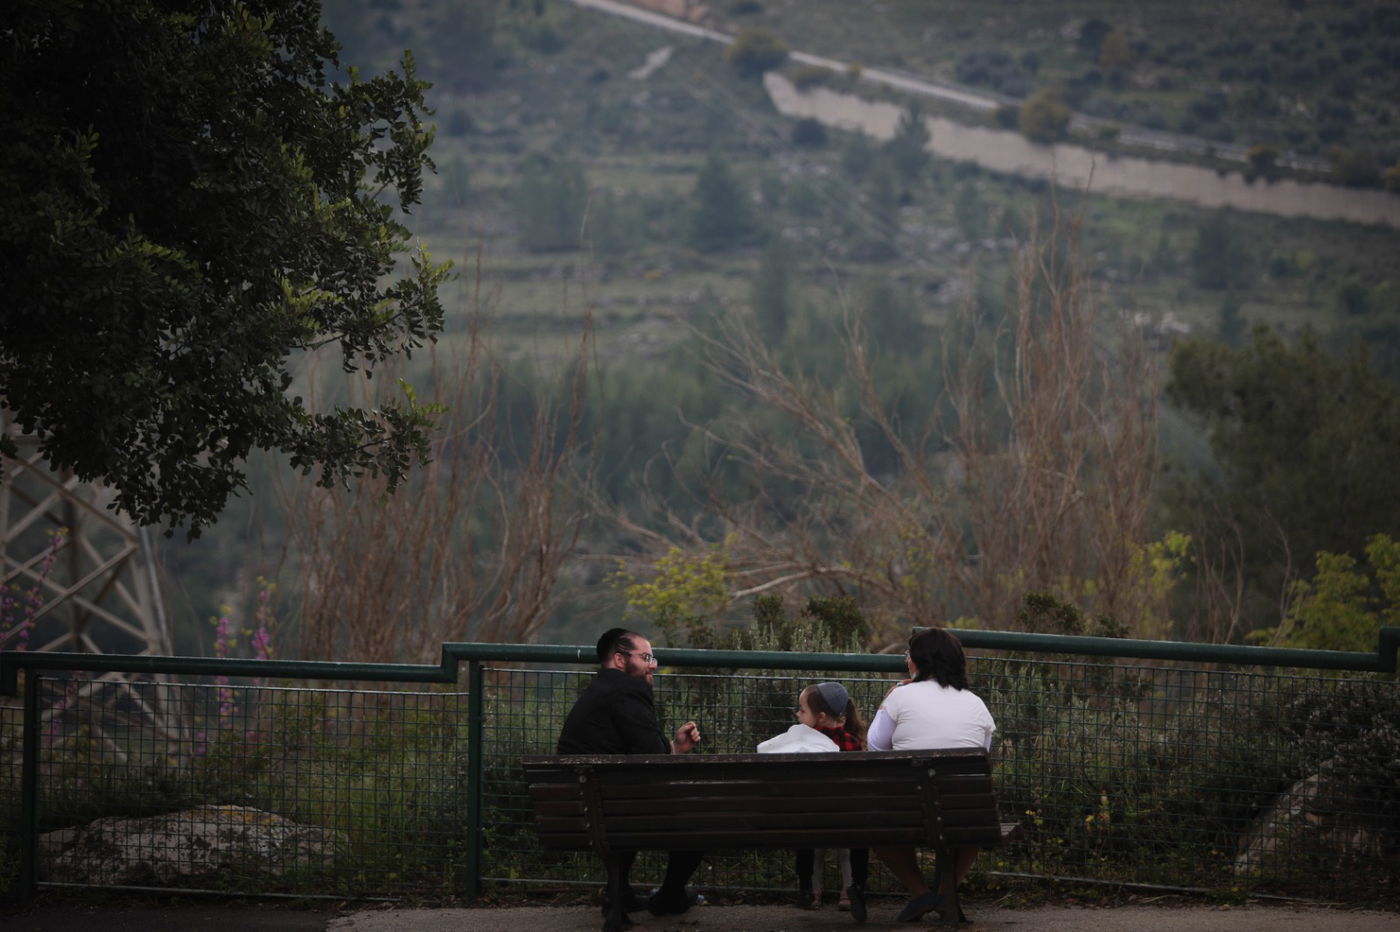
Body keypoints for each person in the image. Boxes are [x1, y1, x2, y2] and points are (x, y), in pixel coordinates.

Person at [556, 627, 703, 918]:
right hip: (616, 811)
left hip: (584, 812)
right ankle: (670, 897)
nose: (654, 664)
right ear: (621, 660)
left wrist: (674, 747)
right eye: (646, 657)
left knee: (623, 801)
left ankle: (620, 894)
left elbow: (645, 752)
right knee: (697, 819)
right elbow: (652, 757)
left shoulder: (599, 690)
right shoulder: (628, 689)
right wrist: (668, 751)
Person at [866, 627, 996, 923]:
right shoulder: (976, 703)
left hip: (907, 810)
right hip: (966, 812)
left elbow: (875, 746)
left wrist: (889, 699)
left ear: (917, 662)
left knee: (877, 827)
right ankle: (945, 893)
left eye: (908, 655)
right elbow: (982, 755)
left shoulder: (900, 696)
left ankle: (921, 893)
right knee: (969, 829)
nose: (906, 660)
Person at [755, 681, 871, 923]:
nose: (797, 714)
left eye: (802, 710)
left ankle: (809, 889)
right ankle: (852, 889)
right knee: (850, 846)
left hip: (808, 818)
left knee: (806, 836)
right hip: (848, 818)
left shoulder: (799, 744)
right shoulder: (850, 741)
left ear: (819, 717)